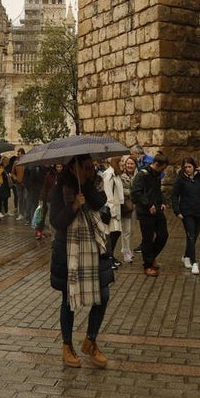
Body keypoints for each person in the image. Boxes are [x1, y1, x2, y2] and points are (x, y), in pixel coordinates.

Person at [48, 153, 113, 368]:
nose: (91, 171)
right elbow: (56, 221)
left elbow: (99, 203)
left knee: (103, 295)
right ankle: (67, 345)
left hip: (94, 247)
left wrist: (85, 186)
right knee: (69, 299)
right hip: (69, 249)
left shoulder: (94, 183)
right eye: (86, 167)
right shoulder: (61, 187)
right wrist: (74, 206)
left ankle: (90, 341)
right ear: (74, 168)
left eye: (92, 166)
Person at [171, 157, 200, 274]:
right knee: (191, 235)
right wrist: (177, 211)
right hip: (186, 212)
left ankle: (186, 256)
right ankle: (194, 262)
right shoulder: (181, 179)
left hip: (199, 211)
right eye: (185, 167)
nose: (188, 169)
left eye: (190, 166)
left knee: (194, 237)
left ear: (194, 166)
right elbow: (174, 195)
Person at [131, 152, 169, 276]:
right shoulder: (142, 175)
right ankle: (147, 265)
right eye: (162, 168)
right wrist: (148, 204)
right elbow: (135, 193)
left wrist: (162, 202)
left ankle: (151, 257)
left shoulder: (157, 175)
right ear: (157, 164)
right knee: (147, 239)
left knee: (163, 235)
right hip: (145, 212)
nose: (163, 171)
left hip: (157, 210)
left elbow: (157, 191)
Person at [100, 159, 124, 269]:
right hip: (111, 210)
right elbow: (108, 194)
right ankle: (108, 258)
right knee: (111, 235)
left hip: (116, 208)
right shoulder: (108, 175)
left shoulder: (116, 174)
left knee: (116, 233)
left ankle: (111, 255)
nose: (123, 163)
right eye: (121, 161)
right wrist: (112, 211)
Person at [116, 156, 137, 263]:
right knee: (126, 231)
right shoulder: (121, 176)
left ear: (135, 165)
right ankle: (125, 252)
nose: (129, 165)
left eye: (132, 164)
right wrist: (131, 192)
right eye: (128, 163)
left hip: (134, 206)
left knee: (132, 230)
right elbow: (120, 190)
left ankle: (129, 249)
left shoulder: (138, 176)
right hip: (125, 206)